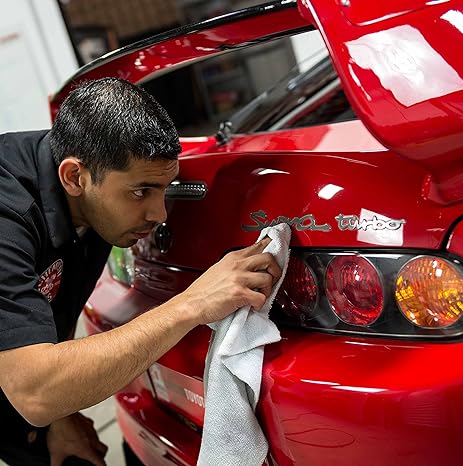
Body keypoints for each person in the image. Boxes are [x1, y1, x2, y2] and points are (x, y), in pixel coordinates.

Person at [0, 78, 281, 466]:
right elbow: (34, 392)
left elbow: (44, 311)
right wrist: (191, 304)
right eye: (140, 192)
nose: (159, 214)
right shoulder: (8, 217)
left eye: (164, 188)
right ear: (74, 177)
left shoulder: (93, 198)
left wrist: (61, 417)